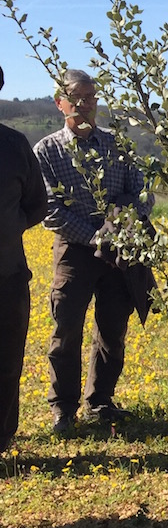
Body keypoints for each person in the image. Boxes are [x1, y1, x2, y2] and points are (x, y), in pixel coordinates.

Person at [35, 69, 154, 435]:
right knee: (66, 328)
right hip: (76, 250)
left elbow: (143, 194)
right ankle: (63, 410)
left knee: (113, 327)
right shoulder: (48, 150)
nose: (87, 106)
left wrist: (124, 219)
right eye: (79, 99)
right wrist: (96, 236)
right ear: (61, 104)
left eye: (92, 99)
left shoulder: (118, 144)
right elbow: (51, 210)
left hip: (119, 251)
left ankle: (101, 402)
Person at [0, 64, 47, 452]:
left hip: (8, 276)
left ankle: (2, 441)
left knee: (7, 362)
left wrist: (9, 229)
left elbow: (37, 205)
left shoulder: (14, 146)